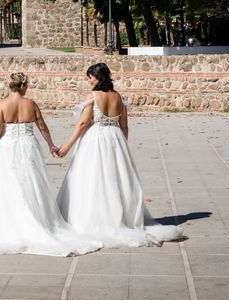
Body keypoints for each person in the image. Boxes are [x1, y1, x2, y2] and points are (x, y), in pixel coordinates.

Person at [0, 72, 101, 256]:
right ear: (22, 85)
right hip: (28, 145)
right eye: (27, 85)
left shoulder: (2, 104)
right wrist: (51, 145)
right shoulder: (30, 104)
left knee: (6, 185)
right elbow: (42, 126)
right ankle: (34, 220)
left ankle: (8, 224)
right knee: (30, 183)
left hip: (7, 148)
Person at [56, 63, 183, 247]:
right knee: (116, 179)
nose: (89, 81)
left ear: (98, 77)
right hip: (115, 139)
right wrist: (122, 146)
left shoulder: (93, 96)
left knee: (93, 178)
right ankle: (119, 217)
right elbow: (124, 126)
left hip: (96, 139)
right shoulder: (118, 97)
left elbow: (83, 124)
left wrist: (66, 147)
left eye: (90, 77)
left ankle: (95, 219)